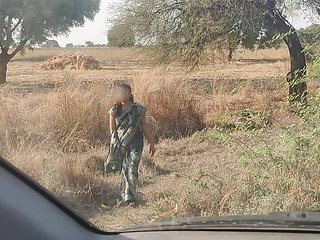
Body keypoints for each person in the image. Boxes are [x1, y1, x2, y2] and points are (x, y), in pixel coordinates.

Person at [107, 84, 156, 205]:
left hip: (136, 142)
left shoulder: (138, 109)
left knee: (132, 166)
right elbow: (113, 131)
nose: (121, 95)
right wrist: (119, 146)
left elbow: (144, 126)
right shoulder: (114, 110)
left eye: (123, 92)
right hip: (120, 143)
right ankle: (127, 195)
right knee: (124, 168)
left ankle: (130, 193)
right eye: (119, 92)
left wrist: (151, 143)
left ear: (129, 94)